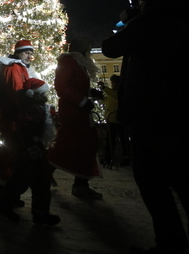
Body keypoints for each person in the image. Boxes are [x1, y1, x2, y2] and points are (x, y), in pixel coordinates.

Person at [102, 0, 189, 254]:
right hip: (181, 114)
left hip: (149, 114)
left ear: (149, 4)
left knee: (152, 182)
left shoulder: (148, 23)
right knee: (184, 176)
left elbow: (110, 47)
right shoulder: (186, 24)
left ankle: (170, 243)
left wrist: (131, 21)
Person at [47, 36, 103, 199]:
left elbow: (75, 85)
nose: (90, 52)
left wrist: (91, 93)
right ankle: (77, 184)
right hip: (73, 112)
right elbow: (62, 86)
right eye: (88, 48)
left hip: (78, 111)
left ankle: (79, 182)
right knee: (71, 144)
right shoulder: (69, 62)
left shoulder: (79, 63)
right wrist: (83, 100)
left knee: (81, 144)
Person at [0, 39, 35, 218]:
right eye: (26, 53)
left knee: (13, 154)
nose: (30, 56)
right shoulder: (13, 68)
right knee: (13, 154)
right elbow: (17, 94)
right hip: (12, 117)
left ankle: (3, 191)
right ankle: (4, 196)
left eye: (31, 53)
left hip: (15, 117)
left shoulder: (20, 67)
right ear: (18, 53)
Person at [8, 77, 60, 225]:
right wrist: (32, 146)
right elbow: (25, 128)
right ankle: (40, 213)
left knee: (20, 179)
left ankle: (4, 204)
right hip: (30, 149)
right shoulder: (33, 108)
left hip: (28, 148)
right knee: (40, 181)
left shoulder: (35, 106)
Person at [98, 74, 130, 167]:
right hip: (111, 120)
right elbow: (107, 101)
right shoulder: (112, 92)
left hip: (119, 120)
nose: (111, 84)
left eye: (113, 82)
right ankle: (108, 159)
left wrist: (104, 87)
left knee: (123, 141)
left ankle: (125, 159)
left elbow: (115, 96)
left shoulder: (120, 92)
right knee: (109, 141)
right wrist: (100, 98)